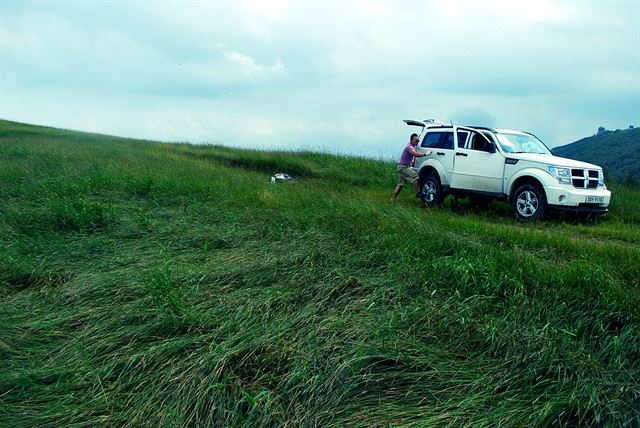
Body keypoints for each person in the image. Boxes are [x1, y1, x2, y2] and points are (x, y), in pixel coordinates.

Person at [391, 133, 432, 203]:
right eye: (416, 140)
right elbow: (414, 154)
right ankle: (418, 193)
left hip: (402, 167)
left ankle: (393, 199)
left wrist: (412, 161)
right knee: (415, 177)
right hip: (403, 168)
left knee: (400, 185)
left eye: (418, 141)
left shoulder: (411, 146)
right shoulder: (409, 147)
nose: (417, 142)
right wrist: (425, 154)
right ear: (411, 140)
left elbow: (411, 154)